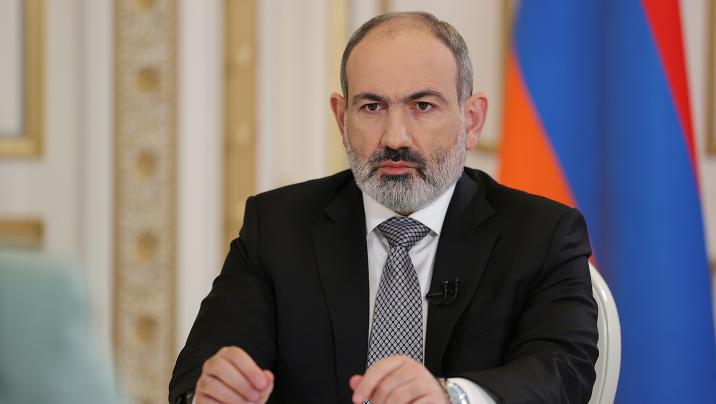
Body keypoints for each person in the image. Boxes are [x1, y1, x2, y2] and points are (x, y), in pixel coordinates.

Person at [169, 11, 598, 404]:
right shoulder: (278, 227)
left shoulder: (542, 234)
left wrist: (453, 397)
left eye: (422, 106)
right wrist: (212, 391)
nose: (395, 137)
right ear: (342, 118)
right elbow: (196, 371)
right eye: (372, 107)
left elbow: (564, 373)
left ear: (471, 120)